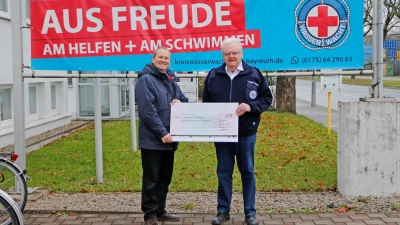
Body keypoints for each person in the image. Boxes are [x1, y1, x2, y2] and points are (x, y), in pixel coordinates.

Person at [202, 37, 273, 225]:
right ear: (222, 55)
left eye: (234, 52)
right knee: (223, 172)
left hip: (246, 133)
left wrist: (250, 107)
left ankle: (250, 212)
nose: (231, 56)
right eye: (227, 53)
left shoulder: (254, 74)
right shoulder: (214, 75)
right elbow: (206, 105)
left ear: (241, 53)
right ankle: (223, 211)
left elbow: (266, 99)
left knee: (247, 171)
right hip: (222, 134)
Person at [135, 47, 189, 225]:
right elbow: (147, 111)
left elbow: (184, 99)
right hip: (153, 140)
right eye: (160, 57)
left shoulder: (171, 80)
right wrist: (162, 132)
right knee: (151, 178)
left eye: (167, 58)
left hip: (169, 139)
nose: (164, 60)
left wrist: (180, 102)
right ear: (153, 59)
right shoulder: (146, 80)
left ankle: (160, 209)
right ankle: (149, 215)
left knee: (165, 177)